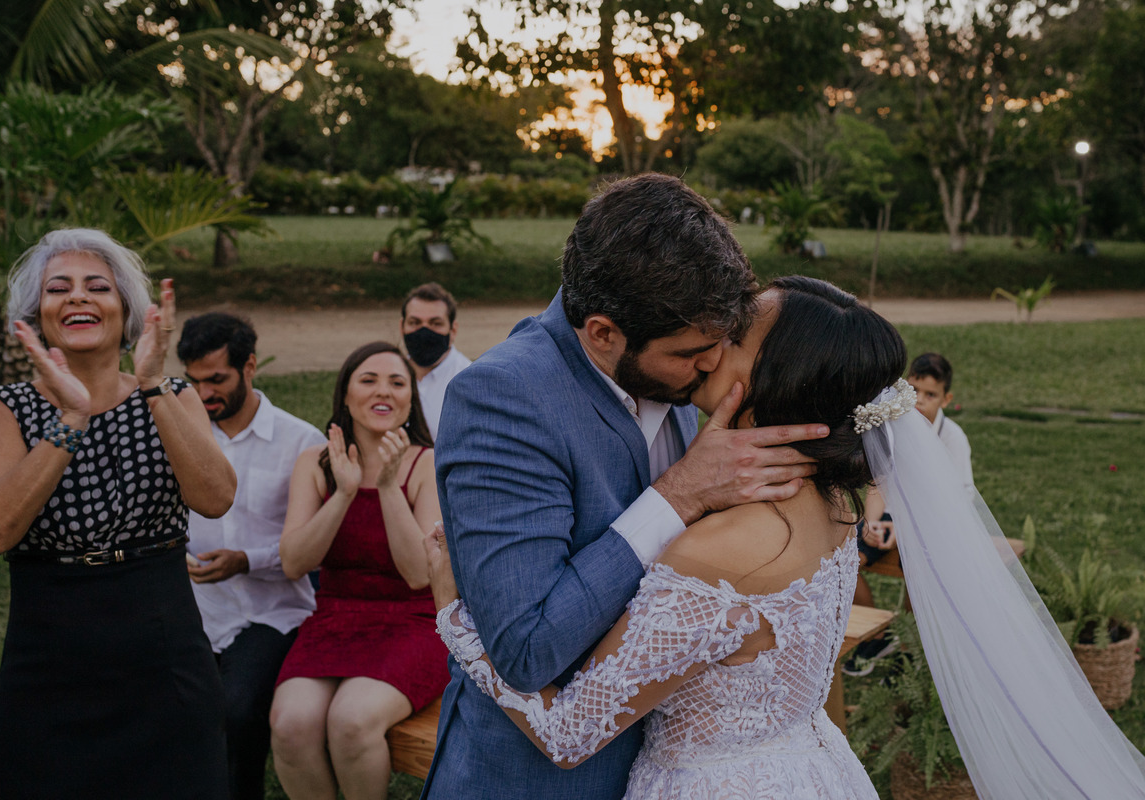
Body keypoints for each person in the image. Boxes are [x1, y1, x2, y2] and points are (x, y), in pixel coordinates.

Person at [427, 277, 1145, 800]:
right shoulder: (833, 505)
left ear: (779, 381)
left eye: (736, 336)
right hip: (807, 768)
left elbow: (571, 731)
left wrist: (453, 614)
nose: (713, 341)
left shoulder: (723, 552)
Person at [423, 174, 829, 799]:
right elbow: (526, 651)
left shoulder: (681, 365)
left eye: (723, 342)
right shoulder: (504, 399)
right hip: (540, 780)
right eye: (693, 351)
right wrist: (678, 496)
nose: (715, 365)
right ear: (603, 332)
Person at [0, 228, 237, 799]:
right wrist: (71, 418)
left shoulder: (172, 392)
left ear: (128, 311)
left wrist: (153, 386)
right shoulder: (4, 408)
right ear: (39, 314)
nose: (79, 297)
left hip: (165, 659)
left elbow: (214, 497)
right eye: (59, 288)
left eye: (98, 287)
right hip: (49, 665)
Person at [268, 341, 447, 800]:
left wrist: (387, 487)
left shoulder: (427, 463)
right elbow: (294, 562)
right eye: (368, 380)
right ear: (345, 396)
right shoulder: (316, 463)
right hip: (336, 619)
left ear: (410, 399)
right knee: (291, 726)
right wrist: (344, 493)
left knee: (351, 721)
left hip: (414, 622)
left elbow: (417, 575)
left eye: (397, 382)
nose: (382, 391)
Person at [176, 312, 326, 800]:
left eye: (215, 380)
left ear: (250, 367)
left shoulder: (302, 441)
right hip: (195, 607)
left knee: (238, 709)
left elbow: (313, 548)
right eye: (193, 382)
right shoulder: (181, 436)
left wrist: (246, 560)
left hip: (274, 610)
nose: (202, 395)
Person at [849, 352, 974, 629]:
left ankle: (909, 643)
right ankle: (875, 638)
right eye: (914, 389)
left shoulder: (953, 438)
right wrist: (871, 522)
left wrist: (906, 530)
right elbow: (878, 482)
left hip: (934, 525)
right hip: (888, 516)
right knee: (844, 563)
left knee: (920, 570)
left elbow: (959, 501)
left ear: (946, 400)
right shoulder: (893, 428)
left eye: (930, 395)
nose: (919, 399)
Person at [400, 281, 471, 440]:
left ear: (453, 330)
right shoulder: (387, 374)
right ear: (402, 326)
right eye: (415, 322)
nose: (424, 331)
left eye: (435, 323)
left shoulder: (469, 381)